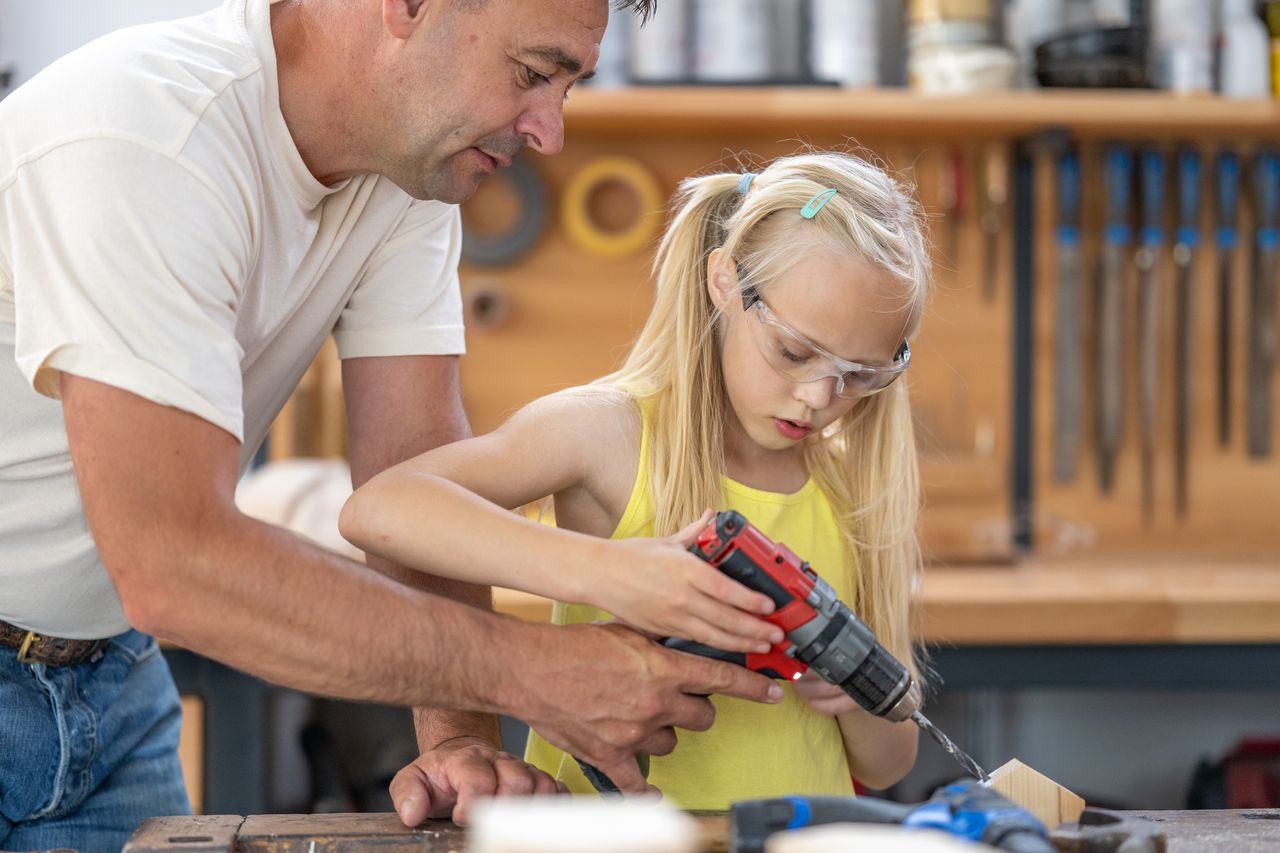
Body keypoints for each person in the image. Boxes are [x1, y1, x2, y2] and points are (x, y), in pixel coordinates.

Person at [0, 1, 785, 849]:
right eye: (532, 74)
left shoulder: (406, 170)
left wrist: (461, 746)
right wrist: (536, 670)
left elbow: (414, 472)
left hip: (110, 673)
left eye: (568, 85)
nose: (549, 130)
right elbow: (174, 561)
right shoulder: (148, 142)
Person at [341, 149, 931, 810]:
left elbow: (887, 764)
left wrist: (859, 700)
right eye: (794, 352)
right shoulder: (609, 436)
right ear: (724, 283)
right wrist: (609, 570)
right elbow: (380, 507)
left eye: (860, 374)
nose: (820, 395)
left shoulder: (856, 487)